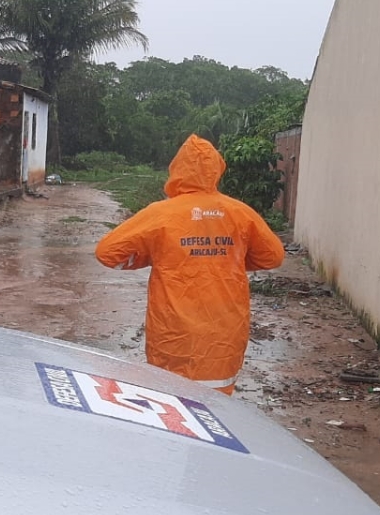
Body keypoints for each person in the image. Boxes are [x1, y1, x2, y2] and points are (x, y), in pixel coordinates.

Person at [95, 134, 285, 394]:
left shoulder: (161, 213)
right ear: (217, 169)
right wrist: (226, 258)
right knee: (219, 416)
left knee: (174, 411)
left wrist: (155, 254)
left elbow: (108, 252)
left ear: (177, 170)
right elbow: (272, 256)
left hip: (173, 338)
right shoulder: (240, 213)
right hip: (224, 339)